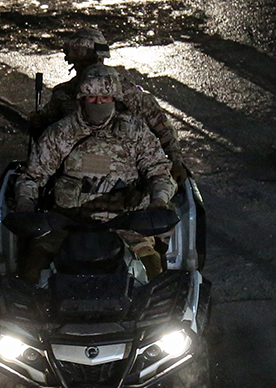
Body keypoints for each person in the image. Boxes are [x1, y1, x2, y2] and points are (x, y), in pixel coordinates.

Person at [16, 64, 177, 279]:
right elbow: (32, 176)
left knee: (153, 273)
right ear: (81, 98)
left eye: (105, 98)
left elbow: (159, 173)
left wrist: (159, 201)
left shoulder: (135, 132)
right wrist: (25, 204)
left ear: (115, 99)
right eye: (92, 98)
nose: (98, 103)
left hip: (126, 227)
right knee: (32, 271)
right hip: (68, 225)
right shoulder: (60, 133)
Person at [30, 27, 188, 185]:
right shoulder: (64, 93)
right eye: (79, 63)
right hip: (73, 175)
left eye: (87, 62)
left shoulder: (128, 94)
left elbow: (163, 129)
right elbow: (48, 130)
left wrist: (176, 162)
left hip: (123, 175)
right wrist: (38, 123)